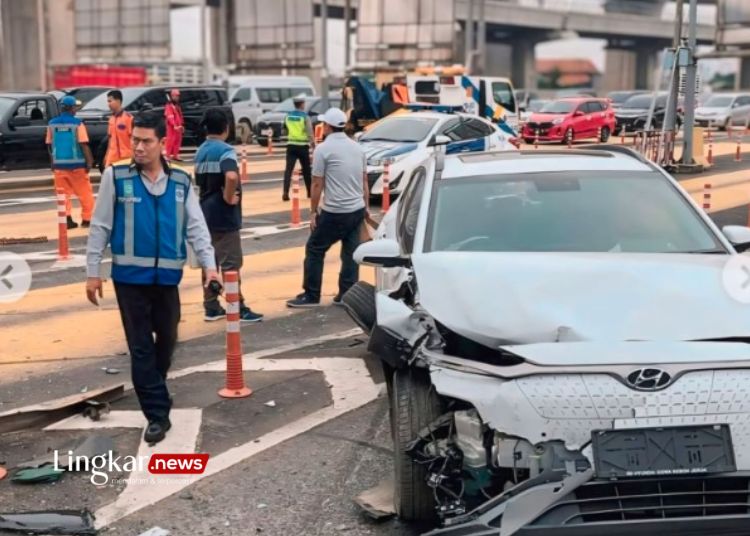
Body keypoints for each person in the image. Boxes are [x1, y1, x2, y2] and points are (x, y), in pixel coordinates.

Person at [85, 114, 221, 444]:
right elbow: (100, 225)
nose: (139, 147)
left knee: (169, 337)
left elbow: (196, 226)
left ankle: (153, 386)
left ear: (163, 143)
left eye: (146, 141)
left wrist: (210, 266)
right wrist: (92, 272)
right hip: (129, 278)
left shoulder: (180, 182)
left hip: (167, 277)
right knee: (141, 347)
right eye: (135, 140)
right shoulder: (116, 177)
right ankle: (157, 414)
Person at [286, 108, 371, 308]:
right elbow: (364, 180)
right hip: (356, 208)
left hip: (335, 211)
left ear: (328, 126)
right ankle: (347, 294)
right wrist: (366, 208)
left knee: (315, 249)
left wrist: (313, 211)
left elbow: (317, 184)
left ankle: (311, 294)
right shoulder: (357, 148)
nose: (322, 127)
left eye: (324, 124)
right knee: (350, 252)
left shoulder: (323, 149)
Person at [194, 109, 264, 323]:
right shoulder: (225, 150)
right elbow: (232, 175)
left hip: (204, 212)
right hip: (224, 215)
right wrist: (227, 197)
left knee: (210, 262)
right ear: (226, 128)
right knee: (231, 263)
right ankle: (237, 306)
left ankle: (211, 306)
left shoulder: (200, 151)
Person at [46, 95, 95, 229]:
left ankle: (66, 219)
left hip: (59, 166)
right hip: (77, 166)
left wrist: (52, 163)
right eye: (74, 107)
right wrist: (90, 162)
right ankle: (87, 219)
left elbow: (50, 145)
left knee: (62, 194)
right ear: (72, 108)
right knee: (85, 193)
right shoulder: (77, 124)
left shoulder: (51, 124)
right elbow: (84, 144)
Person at [282, 95, 314, 201]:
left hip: (291, 146)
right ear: (302, 104)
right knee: (306, 171)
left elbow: (284, 129)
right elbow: (309, 132)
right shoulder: (305, 117)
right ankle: (309, 192)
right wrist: (313, 144)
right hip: (302, 147)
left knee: (288, 170)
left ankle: (285, 192)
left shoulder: (288, 116)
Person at [104, 90, 134, 167]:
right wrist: (107, 155)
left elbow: (133, 138)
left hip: (126, 157)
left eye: (110, 101)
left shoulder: (128, 118)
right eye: (108, 101)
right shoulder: (111, 119)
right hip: (112, 157)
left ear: (118, 101)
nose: (108, 104)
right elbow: (110, 139)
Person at [164, 88, 184, 161]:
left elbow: (180, 115)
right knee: (170, 141)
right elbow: (170, 116)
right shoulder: (169, 106)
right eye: (175, 96)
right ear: (172, 96)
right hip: (172, 127)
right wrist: (174, 125)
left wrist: (181, 124)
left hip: (178, 127)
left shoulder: (177, 106)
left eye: (177, 96)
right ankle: (167, 155)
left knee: (177, 141)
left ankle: (175, 155)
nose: (177, 98)